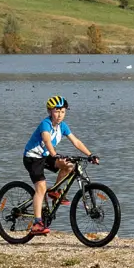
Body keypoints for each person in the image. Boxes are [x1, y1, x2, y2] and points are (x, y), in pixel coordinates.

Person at [23, 96, 97, 236]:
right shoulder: (45, 124)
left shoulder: (62, 126)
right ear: (50, 111)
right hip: (32, 157)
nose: (60, 115)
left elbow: (76, 141)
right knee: (41, 187)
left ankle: (54, 192)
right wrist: (54, 154)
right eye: (57, 111)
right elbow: (47, 140)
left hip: (45, 156)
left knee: (69, 166)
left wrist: (90, 155)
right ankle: (37, 223)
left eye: (63, 112)